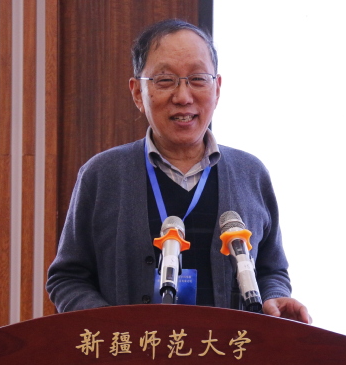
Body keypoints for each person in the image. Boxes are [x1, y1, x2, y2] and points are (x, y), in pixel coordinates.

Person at [46, 19, 310, 323]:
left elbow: (271, 270)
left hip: (226, 351)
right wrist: (109, 326)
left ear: (217, 88)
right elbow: (68, 278)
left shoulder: (251, 173)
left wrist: (274, 296)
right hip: (136, 352)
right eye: (165, 80)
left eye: (197, 79)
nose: (183, 97)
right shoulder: (102, 175)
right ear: (137, 92)